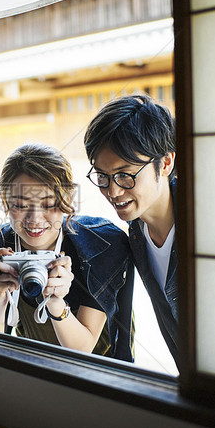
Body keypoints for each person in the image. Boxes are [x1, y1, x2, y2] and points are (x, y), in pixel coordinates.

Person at [0, 143, 134, 361]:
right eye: (21, 205)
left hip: (102, 371)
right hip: (36, 366)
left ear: (68, 198)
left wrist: (55, 301)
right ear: (4, 200)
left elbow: (83, 349)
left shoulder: (100, 245)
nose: (34, 219)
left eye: (48, 204)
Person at [83, 94, 179, 367]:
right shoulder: (135, 233)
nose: (113, 191)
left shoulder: (210, 227)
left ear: (166, 162)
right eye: (102, 176)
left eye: (126, 174)